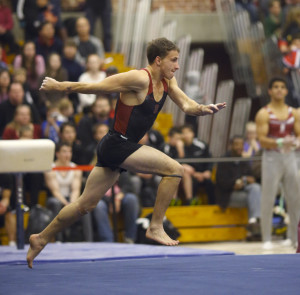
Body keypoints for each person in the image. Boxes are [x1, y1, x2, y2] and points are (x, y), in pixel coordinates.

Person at [26, 37, 226, 268]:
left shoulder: (168, 82)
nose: (177, 66)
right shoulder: (139, 78)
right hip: (118, 144)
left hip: (118, 147)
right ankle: (155, 226)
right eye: (174, 60)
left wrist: (204, 109)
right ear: (158, 60)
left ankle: (40, 238)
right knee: (175, 169)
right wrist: (61, 86)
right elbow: (96, 87)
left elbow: (187, 105)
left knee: (84, 206)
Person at [255, 77, 300, 250]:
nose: (279, 90)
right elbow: (262, 140)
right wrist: (281, 142)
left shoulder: (294, 113)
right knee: (268, 196)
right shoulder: (264, 113)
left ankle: (294, 237)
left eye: (282, 87)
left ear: (287, 91)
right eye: (276, 87)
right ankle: (266, 237)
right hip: (272, 158)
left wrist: (295, 143)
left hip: (290, 158)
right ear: (270, 91)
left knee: (295, 198)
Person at [44, 142, 93, 242]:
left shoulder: (76, 168)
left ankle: (89, 240)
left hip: (71, 198)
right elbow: (55, 191)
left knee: (84, 206)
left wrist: (72, 204)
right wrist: (66, 204)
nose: (68, 154)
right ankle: (59, 239)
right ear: (57, 154)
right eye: (64, 152)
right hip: (56, 198)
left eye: (70, 152)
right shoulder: (50, 168)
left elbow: (76, 190)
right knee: (55, 203)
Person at [215, 135, 261, 239]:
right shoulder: (224, 161)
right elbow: (221, 182)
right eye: (236, 144)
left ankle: (253, 221)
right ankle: (255, 226)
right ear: (231, 146)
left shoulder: (244, 160)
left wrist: (249, 179)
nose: (239, 147)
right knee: (256, 197)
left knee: (256, 188)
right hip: (228, 194)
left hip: (244, 190)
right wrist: (233, 185)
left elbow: (252, 177)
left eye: (241, 144)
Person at [180, 124, 216, 205]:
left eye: (188, 132)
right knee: (194, 183)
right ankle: (191, 204)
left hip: (203, 173)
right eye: (184, 133)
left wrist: (208, 171)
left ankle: (213, 206)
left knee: (210, 183)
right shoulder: (180, 147)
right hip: (190, 175)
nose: (186, 135)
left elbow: (209, 159)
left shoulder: (201, 145)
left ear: (193, 133)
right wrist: (195, 174)